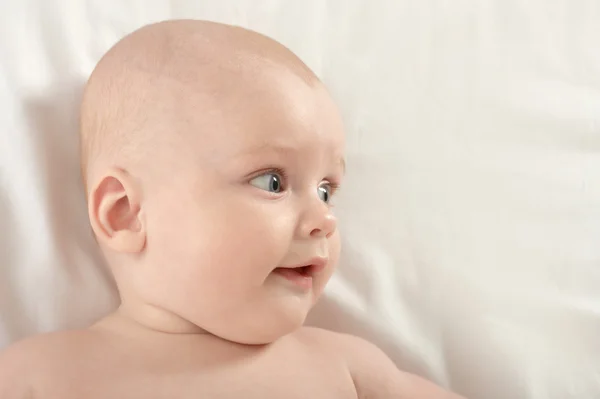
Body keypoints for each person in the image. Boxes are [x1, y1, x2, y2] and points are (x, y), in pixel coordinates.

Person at [0, 19, 464, 398]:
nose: (324, 219)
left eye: (326, 189)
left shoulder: (350, 368)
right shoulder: (42, 376)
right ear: (125, 213)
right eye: (273, 182)